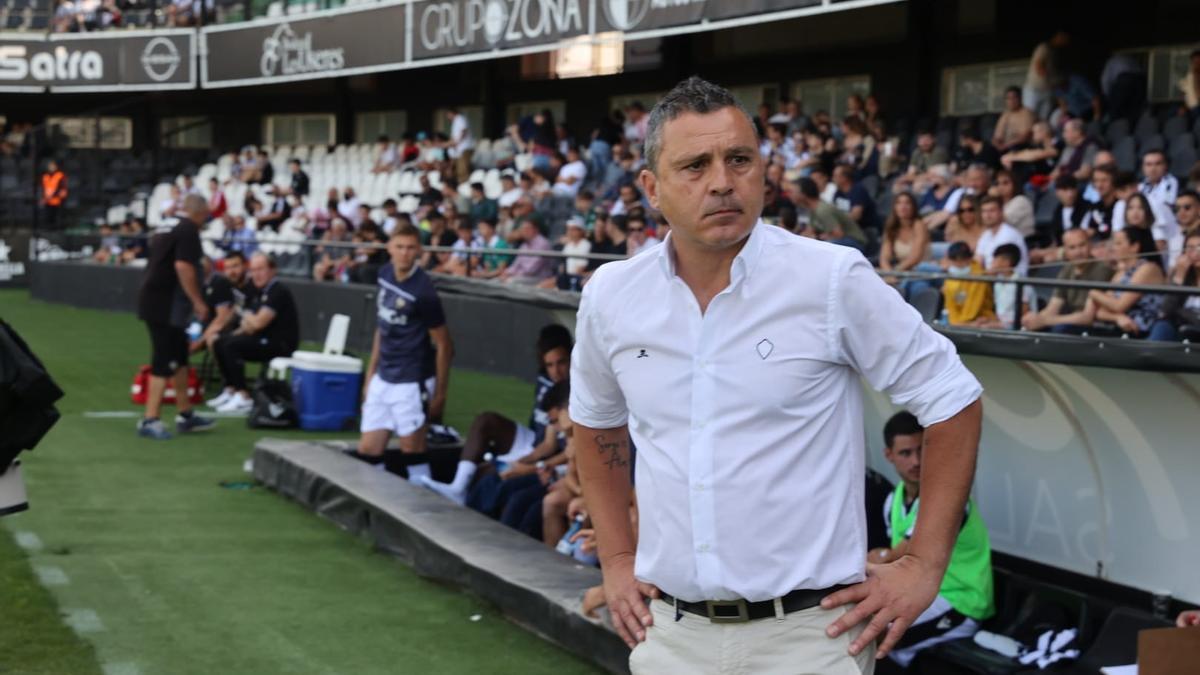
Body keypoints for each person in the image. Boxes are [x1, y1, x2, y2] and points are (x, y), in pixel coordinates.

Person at [570, 77, 983, 671]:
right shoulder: (612, 294)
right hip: (672, 637)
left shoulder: (831, 278)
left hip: (811, 639)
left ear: (763, 170)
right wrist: (615, 559)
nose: (721, 181)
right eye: (695, 165)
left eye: (739, 159)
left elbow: (953, 398)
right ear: (651, 189)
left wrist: (922, 564)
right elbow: (596, 424)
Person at [869, 412, 994, 669]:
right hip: (919, 592)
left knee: (875, 637)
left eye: (921, 450)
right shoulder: (894, 499)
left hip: (960, 603)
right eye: (905, 453)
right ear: (889, 455)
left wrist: (878, 557)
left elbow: (896, 555)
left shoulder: (946, 499)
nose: (916, 461)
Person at [422, 325, 572, 505]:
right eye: (549, 364)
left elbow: (570, 449)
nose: (556, 371)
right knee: (486, 424)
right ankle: (457, 488)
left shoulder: (577, 388)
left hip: (562, 460)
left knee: (498, 482)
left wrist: (531, 466)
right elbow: (548, 442)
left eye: (561, 362)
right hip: (536, 446)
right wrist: (521, 461)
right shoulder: (546, 381)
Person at [348, 225, 453, 480]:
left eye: (410, 248)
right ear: (389, 248)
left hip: (412, 380)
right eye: (399, 247)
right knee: (369, 450)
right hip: (383, 377)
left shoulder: (424, 291)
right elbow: (381, 327)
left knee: (412, 452)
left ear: (419, 250)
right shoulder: (384, 274)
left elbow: (445, 345)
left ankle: (427, 509)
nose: (404, 253)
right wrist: (371, 373)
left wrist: (439, 394)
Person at [135, 194, 215, 439]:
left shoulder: (168, 224)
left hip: (157, 299)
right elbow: (183, 266)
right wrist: (197, 301)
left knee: (180, 357)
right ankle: (150, 419)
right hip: (166, 304)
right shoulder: (188, 229)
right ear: (199, 212)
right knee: (163, 360)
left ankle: (185, 414)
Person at [213, 254, 300, 413]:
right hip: (261, 337)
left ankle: (243, 395)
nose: (256, 274)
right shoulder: (257, 290)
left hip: (280, 344)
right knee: (220, 341)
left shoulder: (278, 290)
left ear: (272, 270)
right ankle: (230, 389)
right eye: (253, 270)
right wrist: (250, 320)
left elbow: (259, 323)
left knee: (232, 345)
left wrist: (246, 316)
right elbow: (250, 325)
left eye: (261, 269)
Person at [1023, 229, 1113, 335]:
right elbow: (1053, 308)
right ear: (1065, 250)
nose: (1078, 252)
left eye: (1082, 245)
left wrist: (1046, 321)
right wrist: (1037, 319)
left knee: (1060, 329)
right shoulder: (1068, 268)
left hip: (1096, 326)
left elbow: (1087, 317)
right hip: (1072, 321)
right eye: (1072, 247)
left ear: (1090, 245)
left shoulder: (1102, 269)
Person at [1083, 227, 1165, 337]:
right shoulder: (1120, 273)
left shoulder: (1148, 268)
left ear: (1134, 247)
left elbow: (1119, 306)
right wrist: (1117, 317)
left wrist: (1093, 292)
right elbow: (1100, 312)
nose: (1113, 248)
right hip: (1121, 328)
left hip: (1143, 330)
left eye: (1118, 243)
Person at [879, 192, 937, 300]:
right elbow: (884, 257)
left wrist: (894, 273)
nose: (903, 207)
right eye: (899, 203)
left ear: (913, 207)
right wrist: (888, 273)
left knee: (918, 288)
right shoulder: (891, 227)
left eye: (907, 203)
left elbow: (915, 258)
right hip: (900, 273)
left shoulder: (919, 225)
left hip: (920, 272)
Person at [792, 177, 867, 250]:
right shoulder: (812, 209)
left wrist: (817, 237)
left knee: (822, 247)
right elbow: (809, 231)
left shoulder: (823, 210)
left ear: (803, 194)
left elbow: (839, 235)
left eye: (793, 192)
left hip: (855, 243)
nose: (791, 195)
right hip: (840, 241)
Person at [974, 244, 1036, 330]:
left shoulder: (1022, 283)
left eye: (995, 259)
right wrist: (990, 319)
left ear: (1006, 262)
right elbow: (1001, 314)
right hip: (1002, 324)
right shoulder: (998, 282)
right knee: (977, 323)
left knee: (984, 327)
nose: (992, 262)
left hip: (1020, 326)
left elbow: (1022, 314)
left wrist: (996, 323)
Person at [941, 242, 994, 326]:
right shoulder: (951, 276)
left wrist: (963, 323)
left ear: (969, 259)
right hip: (958, 321)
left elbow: (973, 306)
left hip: (980, 318)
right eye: (955, 261)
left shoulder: (978, 276)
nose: (958, 264)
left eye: (961, 261)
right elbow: (950, 306)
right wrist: (955, 322)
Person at [975, 195, 1028, 274]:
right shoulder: (986, 235)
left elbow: (997, 269)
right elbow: (977, 261)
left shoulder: (1008, 234)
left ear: (1001, 212)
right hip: (992, 281)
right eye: (984, 211)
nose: (987, 215)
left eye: (992, 211)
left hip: (1012, 283)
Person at [500, 220, 555, 284]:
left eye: (527, 229)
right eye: (523, 229)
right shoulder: (524, 244)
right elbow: (516, 264)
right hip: (523, 276)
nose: (524, 232)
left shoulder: (543, 244)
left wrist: (513, 274)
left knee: (510, 281)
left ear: (536, 230)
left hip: (540, 278)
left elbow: (531, 270)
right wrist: (507, 272)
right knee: (497, 280)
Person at [992, 87, 1036, 153]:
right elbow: (997, 135)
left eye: (1014, 98)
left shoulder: (1026, 113)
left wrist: (1005, 145)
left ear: (1020, 99)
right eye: (1008, 98)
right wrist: (996, 143)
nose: (1011, 101)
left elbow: (1025, 137)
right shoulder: (1006, 114)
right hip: (1006, 146)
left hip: (1021, 147)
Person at [446, 108, 475, 183]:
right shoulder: (455, 121)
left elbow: (463, 131)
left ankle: (464, 185)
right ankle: (461, 185)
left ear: (451, 113)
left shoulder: (460, 119)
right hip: (459, 150)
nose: (448, 117)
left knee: (463, 170)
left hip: (464, 148)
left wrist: (456, 143)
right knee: (458, 170)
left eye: (448, 115)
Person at [40, 159, 68, 230]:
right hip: (47, 201)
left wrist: (53, 195)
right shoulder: (45, 176)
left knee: (57, 218)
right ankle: (48, 230)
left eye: (53, 165)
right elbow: (43, 188)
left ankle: (57, 230)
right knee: (47, 217)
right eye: (50, 166)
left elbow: (63, 188)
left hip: (57, 200)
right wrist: (43, 197)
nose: (51, 167)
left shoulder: (60, 175)